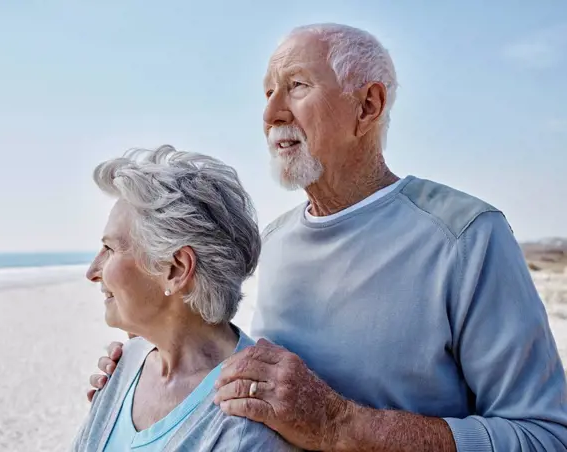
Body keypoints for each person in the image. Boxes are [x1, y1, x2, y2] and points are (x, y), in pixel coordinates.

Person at [88, 24, 567, 451]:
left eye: (296, 86)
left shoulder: (465, 237)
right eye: (268, 92)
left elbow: (545, 436)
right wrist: (145, 373)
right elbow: (232, 363)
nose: (271, 113)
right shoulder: (272, 243)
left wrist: (344, 426)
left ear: (368, 105)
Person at [71, 145, 298, 451]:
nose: (93, 271)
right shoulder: (124, 365)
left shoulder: (243, 420)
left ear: (177, 269)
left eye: (110, 249)